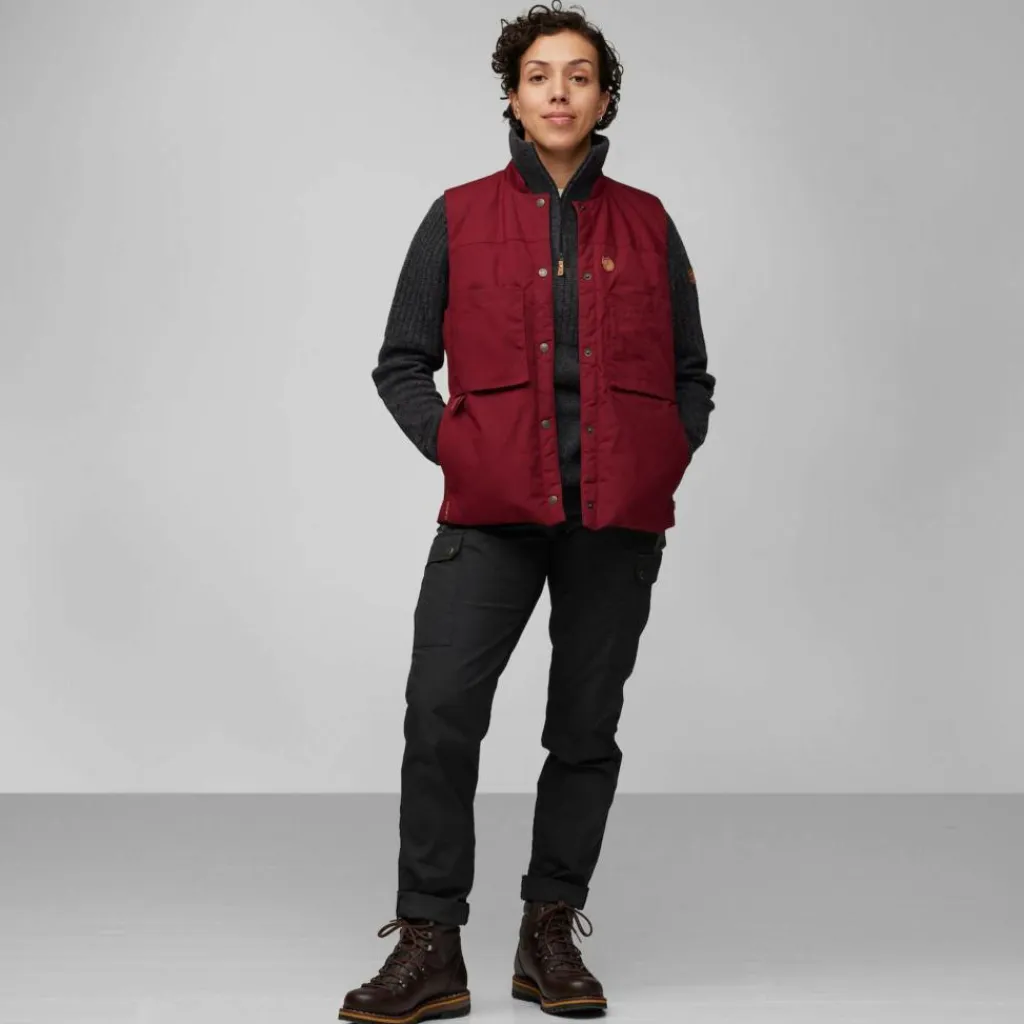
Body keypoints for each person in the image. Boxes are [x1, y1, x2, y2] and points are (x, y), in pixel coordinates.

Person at [340, 2, 715, 1021]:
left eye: (579, 74)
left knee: (585, 728)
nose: (558, 91)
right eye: (539, 74)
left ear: (604, 97)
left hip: (615, 520)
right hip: (490, 515)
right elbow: (401, 363)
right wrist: (462, 449)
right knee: (440, 713)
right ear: (512, 95)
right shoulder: (458, 215)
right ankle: (430, 941)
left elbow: (690, 373)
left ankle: (548, 929)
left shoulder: (646, 223)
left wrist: (662, 457)